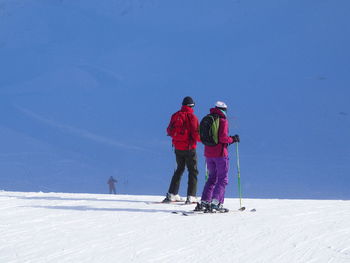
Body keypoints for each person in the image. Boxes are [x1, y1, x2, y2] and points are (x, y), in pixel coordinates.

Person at [195, 101, 240, 212]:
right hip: (220, 154)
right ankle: (216, 202)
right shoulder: (223, 121)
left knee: (212, 178)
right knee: (222, 179)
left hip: (208, 153)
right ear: (224, 109)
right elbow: (223, 138)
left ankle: (205, 201)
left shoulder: (208, 118)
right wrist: (233, 139)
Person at [162, 96, 201, 204]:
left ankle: (172, 194)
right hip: (189, 148)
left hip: (177, 147)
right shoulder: (192, 117)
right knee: (193, 171)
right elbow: (196, 134)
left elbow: (169, 130)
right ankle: (191, 196)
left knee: (179, 170)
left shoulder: (175, 115)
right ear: (192, 106)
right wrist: (204, 140)